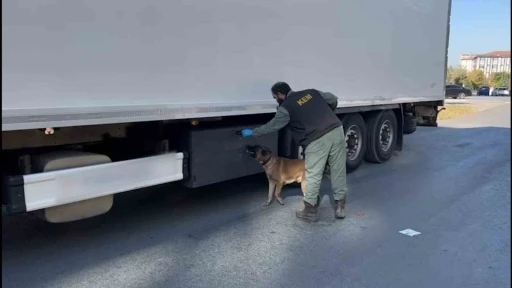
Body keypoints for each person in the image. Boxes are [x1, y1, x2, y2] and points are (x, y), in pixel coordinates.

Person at [240, 82, 348, 222]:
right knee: (338, 170)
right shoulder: (311, 92)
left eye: (275, 97)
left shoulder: (286, 108)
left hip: (316, 139)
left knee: (312, 174)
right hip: (336, 130)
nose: (276, 100)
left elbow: (272, 127)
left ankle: (309, 211)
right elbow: (333, 99)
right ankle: (340, 208)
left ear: (280, 94)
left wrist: (253, 132)